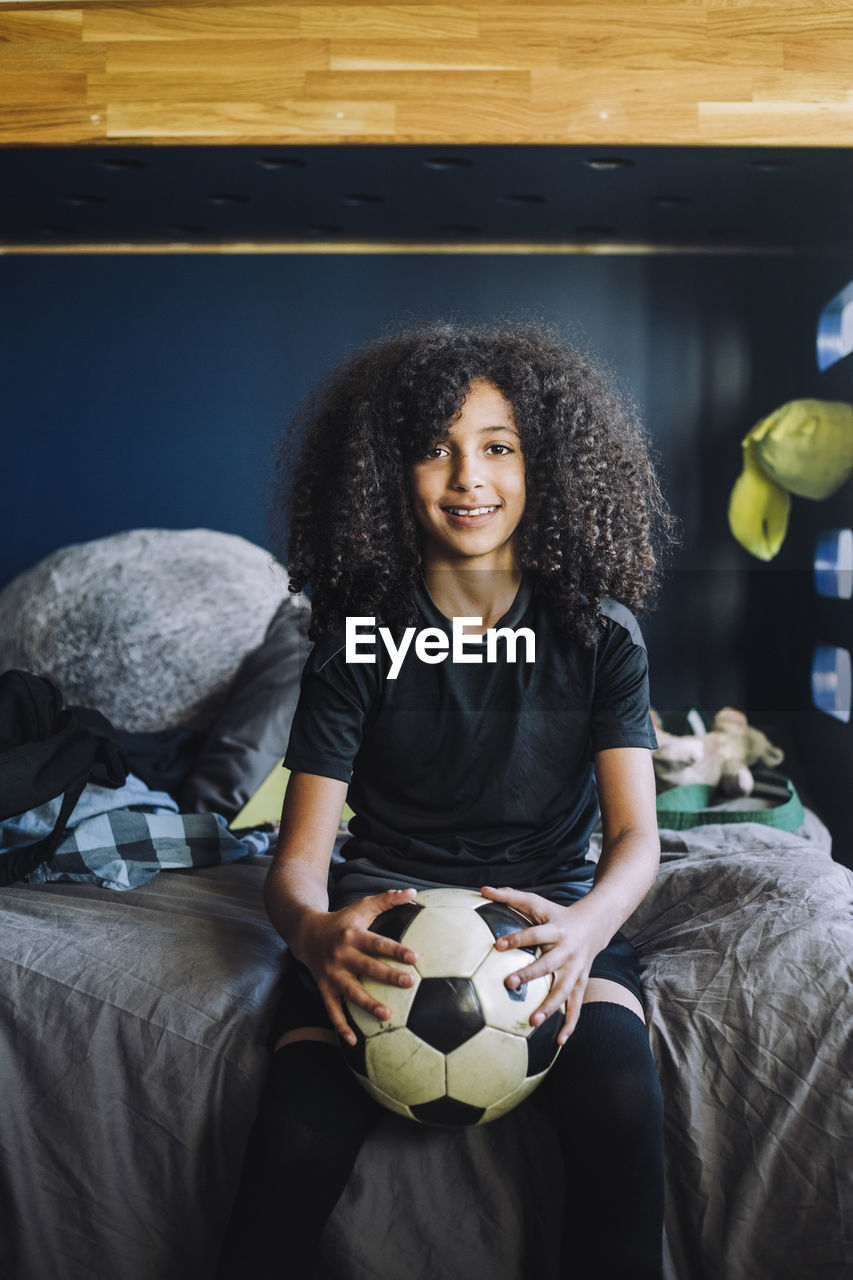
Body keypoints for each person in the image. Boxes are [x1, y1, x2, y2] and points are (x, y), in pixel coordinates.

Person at [216, 319, 679, 1280]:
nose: (468, 477)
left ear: (545, 465)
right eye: (435, 448)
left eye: (497, 448)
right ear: (386, 475)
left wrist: (589, 928)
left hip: (547, 912)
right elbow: (297, 863)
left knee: (622, 1109)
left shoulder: (601, 636)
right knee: (294, 1131)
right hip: (386, 917)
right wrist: (313, 937)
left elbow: (636, 835)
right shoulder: (355, 639)